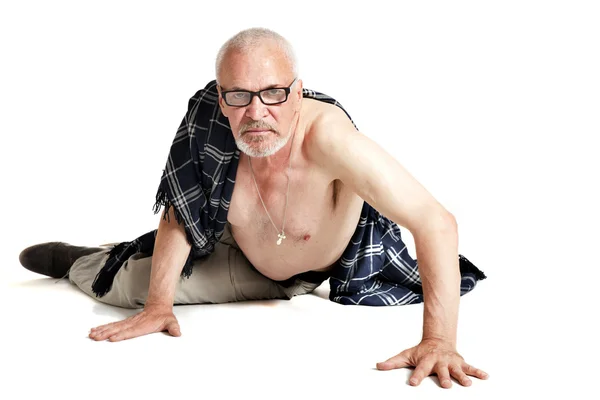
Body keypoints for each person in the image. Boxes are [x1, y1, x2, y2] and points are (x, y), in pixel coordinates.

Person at [18, 27, 488, 388]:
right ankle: (79, 260)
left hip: (301, 271)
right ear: (222, 98)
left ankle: (116, 256)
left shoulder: (329, 139)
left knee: (154, 275)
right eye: (239, 96)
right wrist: (160, 305)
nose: (256, 111)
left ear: (298, 93)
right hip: (234, 236)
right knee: (130, 290)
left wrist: (439, 341)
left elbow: (436, 222)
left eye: (273, 94)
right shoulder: (207, 121)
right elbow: (183, 208)